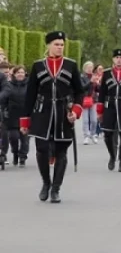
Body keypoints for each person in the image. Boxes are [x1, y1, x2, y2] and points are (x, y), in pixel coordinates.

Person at [21, 31, 85, 203]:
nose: (59, 47)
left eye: (62, 44)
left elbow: (80, 92)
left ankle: (56, 188)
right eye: (56, 44)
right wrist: (25, 120)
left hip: (64, 114)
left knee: (61, 151)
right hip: (43, 113)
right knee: (41, 149)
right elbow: (30, 95)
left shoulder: (71, 65)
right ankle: (46, 183)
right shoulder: (38, 66)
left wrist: (76, 112)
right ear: (48, 45)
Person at [1, 65, 30, 168]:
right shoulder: (9, 85)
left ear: (25, 74)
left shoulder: (30, 85)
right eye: (18, 72)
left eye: (22, 72)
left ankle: (23, 156)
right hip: (12, 115)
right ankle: (15, 153)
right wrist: (4, 110)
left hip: (25, 114)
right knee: (14, 137)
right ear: (14, 74)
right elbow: (4, 99)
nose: (20, 74)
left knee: (24, 138)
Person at [79, 61, 99, 145]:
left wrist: (98, 84)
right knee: (86, 120)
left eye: (91, 67)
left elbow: (98, 89)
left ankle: (93, 134)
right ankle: (86, 136)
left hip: (93, 100)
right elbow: (82, 88)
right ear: (85, 68)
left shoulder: (95, 76)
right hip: (85, 100)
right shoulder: (82, 76)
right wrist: (90, 82)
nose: (90, 69)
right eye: (89, 67)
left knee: (94, 120)